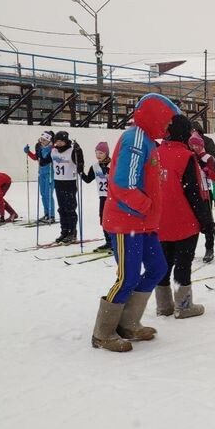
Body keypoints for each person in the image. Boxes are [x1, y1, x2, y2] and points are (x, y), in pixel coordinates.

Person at [92, 93, 178, 353]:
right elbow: (124, 184)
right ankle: (103, 332)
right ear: (155, 116)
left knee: (157, 268)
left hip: (144, 223)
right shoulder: (136, 138)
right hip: (125, 220)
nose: (168, 127)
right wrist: (147, 207)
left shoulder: (150, 141)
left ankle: (128, 322)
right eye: (167, 121)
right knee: (127, 276)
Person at [154, 114, 214, 319]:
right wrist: (205, 221)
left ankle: (164, 305)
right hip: (183, 220)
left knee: (163, 263)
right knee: (183, 263)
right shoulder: (185, 156)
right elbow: (193, 193)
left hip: (160, 220)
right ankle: (184, 306)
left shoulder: (156, 153)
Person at [51, 130, 84, 244]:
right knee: (61, 209)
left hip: (69, 182)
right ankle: (64, 231)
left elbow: (80, 164)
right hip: (58, 182)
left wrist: (78, 152)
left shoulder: (71, 151)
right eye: (57, 141)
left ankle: (72, 232)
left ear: (66, 141)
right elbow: (44, 160)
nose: (59, 144)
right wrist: (38, 150)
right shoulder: (54, 151)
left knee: (70, 208)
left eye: (61, 141)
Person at [189, 133, 215, 262]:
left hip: (206, 192)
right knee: (192, 221)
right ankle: (190, 249)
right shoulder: (189, 156)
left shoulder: (208, 157)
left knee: (207, 222)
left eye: (197, 145)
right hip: (194, 192)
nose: (195, 147)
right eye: (192, 145)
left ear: (201, 145)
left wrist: (207, 170)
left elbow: (212, 172)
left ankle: (209, 248)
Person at [79, 142, 113, 252]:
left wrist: (109, 174)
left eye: (101, 153)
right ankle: (109, 242)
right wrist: (80, 171)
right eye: (97, 153)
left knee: (111, 219)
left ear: (107, 153)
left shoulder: (113, 164)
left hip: (113, 197)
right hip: (102, 197)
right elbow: (88, 180)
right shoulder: (95, 166)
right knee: (103, 220)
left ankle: (115, 242)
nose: (98, 155)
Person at [23, 130, 56, 224]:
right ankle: (46, 214)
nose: (42, 141)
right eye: (42, 139)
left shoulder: (53, 149)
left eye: (45, 140)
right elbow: (35, 157)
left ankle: (51, 215)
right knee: (43, 194)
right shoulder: (39, 147)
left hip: (50, 173)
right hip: (41, 173)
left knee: (48, 194)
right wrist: (28, 152)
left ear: (49, 141)